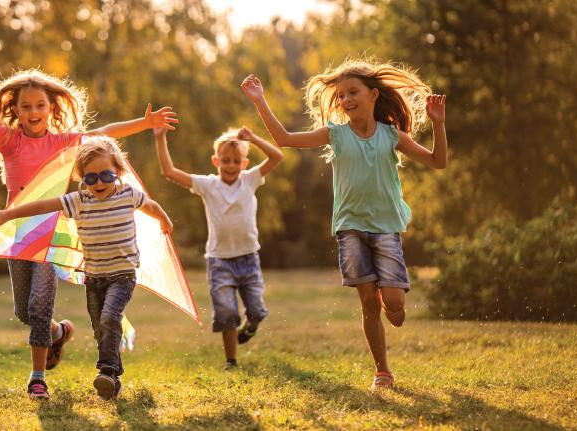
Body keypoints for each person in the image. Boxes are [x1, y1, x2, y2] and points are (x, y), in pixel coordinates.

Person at [0, 53, 178, 399]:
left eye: (40, 106)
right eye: (26, 106)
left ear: (51, 108)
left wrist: (144, 123)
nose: (33, 112)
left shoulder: (62, 143)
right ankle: (59, 333)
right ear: (15, 110)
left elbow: (103, 133)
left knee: (38, 307)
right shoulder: (8, 140)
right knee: (23, 312)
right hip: (18, 234)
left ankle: (37, 378)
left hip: (51, 234)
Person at [241, 58, 447, 390]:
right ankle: (382, 371)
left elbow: (438, 161)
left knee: (394, 306)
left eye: (353, 92)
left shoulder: (391, 136)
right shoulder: (335, 134)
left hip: (385, 228)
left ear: (373, 95)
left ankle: (390, 302)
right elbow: (284, 139)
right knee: (368, 301)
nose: (346, 100)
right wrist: (258, 99)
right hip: (350, 227)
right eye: (341, 96)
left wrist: (438, 123)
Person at [0, 136, 173, 401]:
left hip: (123, 276)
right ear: (82, 179)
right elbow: (44, 205)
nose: (99, 183)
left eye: (107, 176)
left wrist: (164, 220)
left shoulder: (128, 195)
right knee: (100, 328)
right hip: (94, 278)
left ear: (118, 172)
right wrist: (9, 214)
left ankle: (106, 372)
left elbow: (151, 206)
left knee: (110, 318)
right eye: (91, 178)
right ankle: (114, 377)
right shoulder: (79, 200)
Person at [153, 125, 282, 369]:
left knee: (256, 310)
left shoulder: (250, 179)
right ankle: (231, 361)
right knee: (226, 313)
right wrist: (160, 138)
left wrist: (253, 138)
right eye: (225, 161)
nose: (231, 166)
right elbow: (169, 172)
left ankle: (252, 325)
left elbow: (277, 156)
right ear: (216, 161)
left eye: (236, 161)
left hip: (248, 259)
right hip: (219, 261)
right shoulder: (208, 185)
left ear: (245, 162)